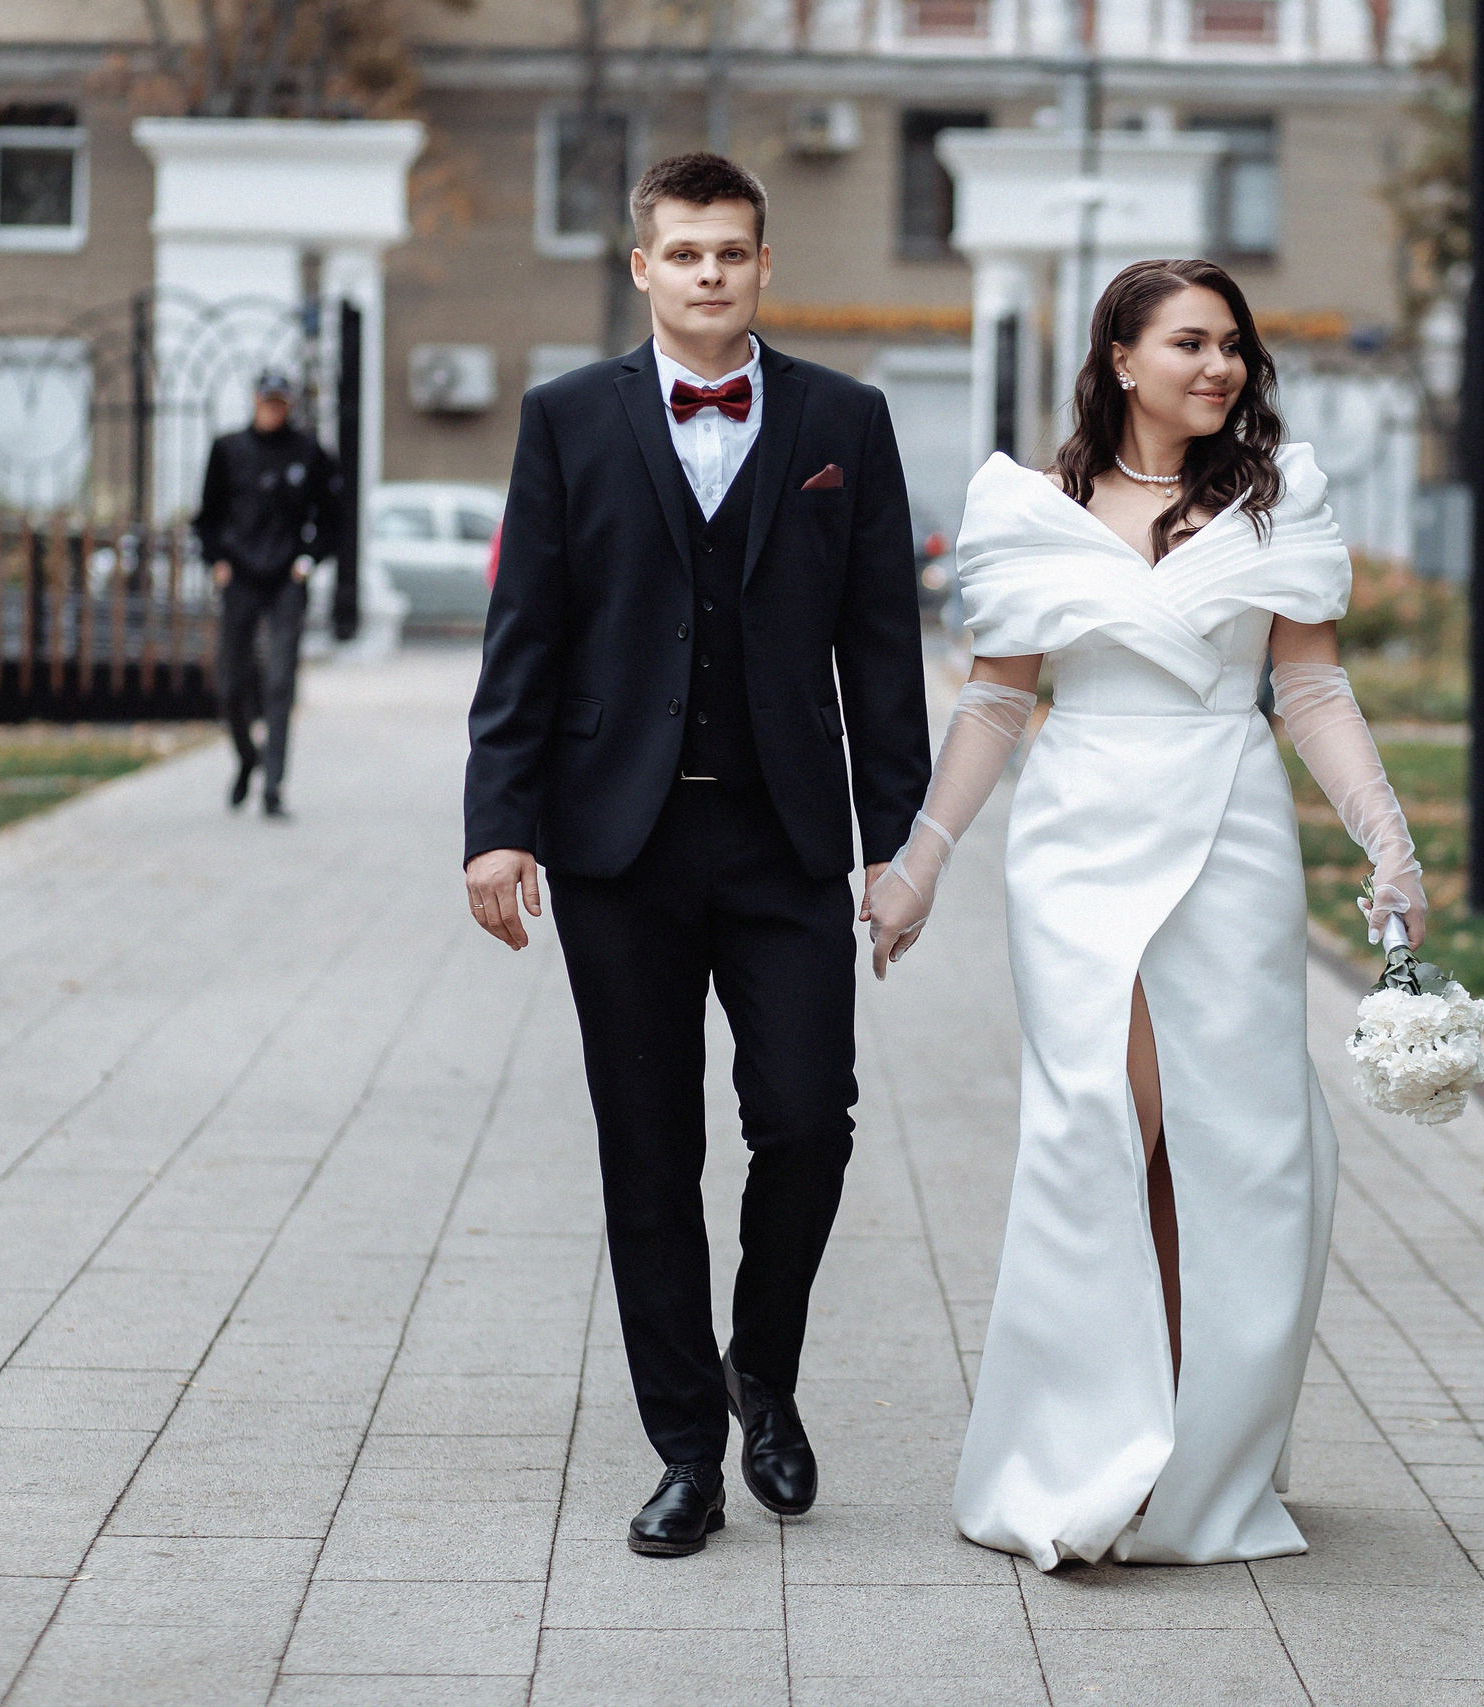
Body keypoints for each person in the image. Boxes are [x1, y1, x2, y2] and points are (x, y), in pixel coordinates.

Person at [868, 259, 1428, 1568]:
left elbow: (1311, 689)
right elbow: (999, 700)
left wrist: (1388, 841)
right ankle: (1082, 1456)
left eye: (1234, 344)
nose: (1220, 366)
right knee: (1100, 1129)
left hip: (1229, 824)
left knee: (1232, 1148)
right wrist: (921, 859)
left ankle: (1190, 1450)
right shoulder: (1031, 504)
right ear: (1120, 357)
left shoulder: (1279, 502)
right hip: (1077, 836)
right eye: (1190, 341)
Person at [462, 153, 930, 1559]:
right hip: (621, 840)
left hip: (787, 835)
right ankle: (685, 1451)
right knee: (649, 1150)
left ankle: (762, 1369)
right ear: (643, 268)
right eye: (685, 251)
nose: (710, 272)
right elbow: (525, 635)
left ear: (764, 266)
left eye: (732, 250)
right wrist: (499, 820)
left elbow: (883, 647)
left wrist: (895, 844)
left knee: (806, 1120)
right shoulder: (564, 421)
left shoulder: (847, 418)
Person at [195, 371, 343, 817]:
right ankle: (247, 757)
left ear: (290, 406)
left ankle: (273, 787)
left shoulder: (309, 453)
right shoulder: (228, 450)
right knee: (231, 683)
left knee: (280, 682)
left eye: (281, 403)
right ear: (255, 402)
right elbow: (207, 516)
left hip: (285, 581)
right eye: (267, 402)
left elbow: (333, 520)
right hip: (239, 576)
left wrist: (307, 561)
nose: (273, 410)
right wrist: (217, 559)